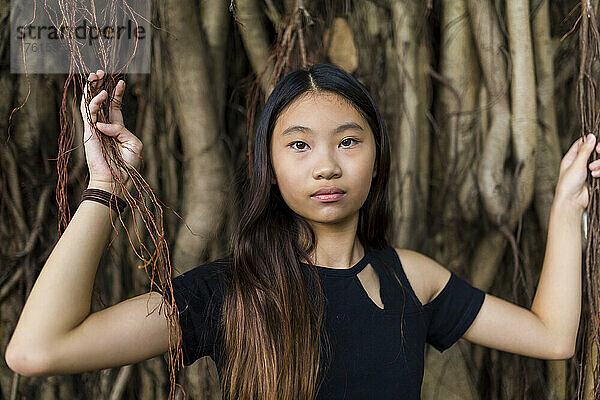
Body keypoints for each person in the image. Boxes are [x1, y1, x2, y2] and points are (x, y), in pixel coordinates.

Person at [4, 63, 597, 399]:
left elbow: (552, 337)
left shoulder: (409, 279)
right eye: (298, 145)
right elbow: (38, 349)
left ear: (377, 159)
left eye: (348, 141)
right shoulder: (229, 292)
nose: (326, 166)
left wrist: (567, 210)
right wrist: (107, 188)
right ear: (269, 165)